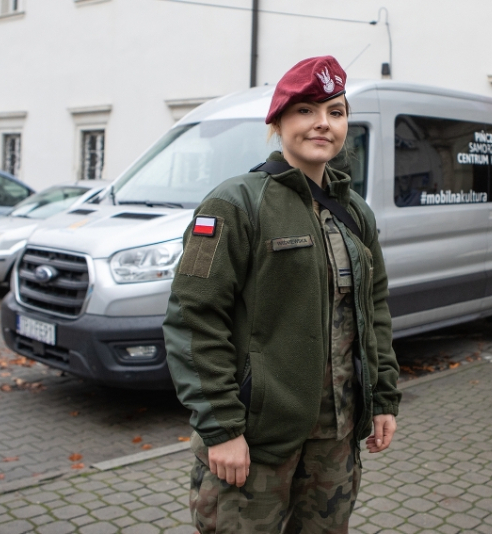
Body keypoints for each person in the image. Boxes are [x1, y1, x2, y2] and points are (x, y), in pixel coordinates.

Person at [163, 55, 401, 534]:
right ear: (277, 122)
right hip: (257, 443)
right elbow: (194, 319)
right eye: (306, 110)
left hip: (335, 441)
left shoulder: (355, 212)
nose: (323, 123)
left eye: (335, 112)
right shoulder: (234, 204)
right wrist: (222, 428)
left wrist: (382, 398)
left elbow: (374, 309)